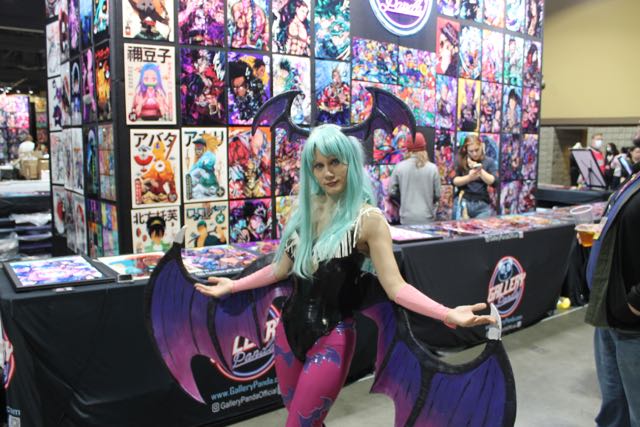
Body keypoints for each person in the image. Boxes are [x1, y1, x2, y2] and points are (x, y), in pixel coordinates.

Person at [194, 125, 494, 426]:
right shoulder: (304, 212)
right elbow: (279, 269)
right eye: (319, 166)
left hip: (331, 339)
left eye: (335, 162)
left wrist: (447, 314)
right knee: (299, 416)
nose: (328, 173)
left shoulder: (368, 220)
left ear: (350, 161)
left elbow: (395, 287)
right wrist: (234, 285)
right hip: (286, 334)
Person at [581, 167, 640, 427]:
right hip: (610, 313)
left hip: (632, 323)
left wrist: (634, 303)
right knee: (615, 405)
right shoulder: (634, 178)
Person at [388, 132, 441, 225]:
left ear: (407, 149)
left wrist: (402, 200)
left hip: (406, 218)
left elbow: (392, 192)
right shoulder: (432, 168)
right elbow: (437, 195)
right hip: (427, 218)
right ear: (424, 148)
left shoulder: (399, 167)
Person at [452, 134, 498, 218]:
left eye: (477, 150)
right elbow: (454, 181)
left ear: (481, 146)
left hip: (482, 204)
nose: (475, 154)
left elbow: (494, 182)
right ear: (466, 150)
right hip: (464, 202)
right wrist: (469, 178)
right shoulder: (461, 160)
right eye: (471, 151)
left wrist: (480, 170)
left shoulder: (489, 161)